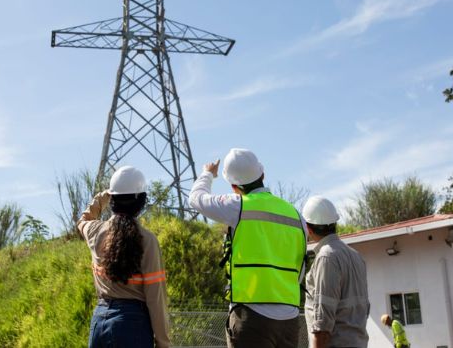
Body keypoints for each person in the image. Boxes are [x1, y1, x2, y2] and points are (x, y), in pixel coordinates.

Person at [189, 148, 307, 348]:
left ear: (234, 186)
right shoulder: (296, 215)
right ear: (263, 175)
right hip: (289, 318)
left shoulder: (237, 206)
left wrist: (208, 173)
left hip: (251, 315)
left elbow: (195, 198)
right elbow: (301, 266)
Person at [78, 166, 170, 348]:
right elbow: (155, 298)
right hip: (132, 326)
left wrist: (103, 197)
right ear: (141, 202)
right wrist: (163, 343)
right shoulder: (147, 240)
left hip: (100, 321)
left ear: (113, 200)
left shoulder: (95, 231)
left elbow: (83, 221)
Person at [302, 196, 369, 348]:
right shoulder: (356, 256)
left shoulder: (327, 257)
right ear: (335, 224)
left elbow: (323, 321)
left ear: (308, 228)